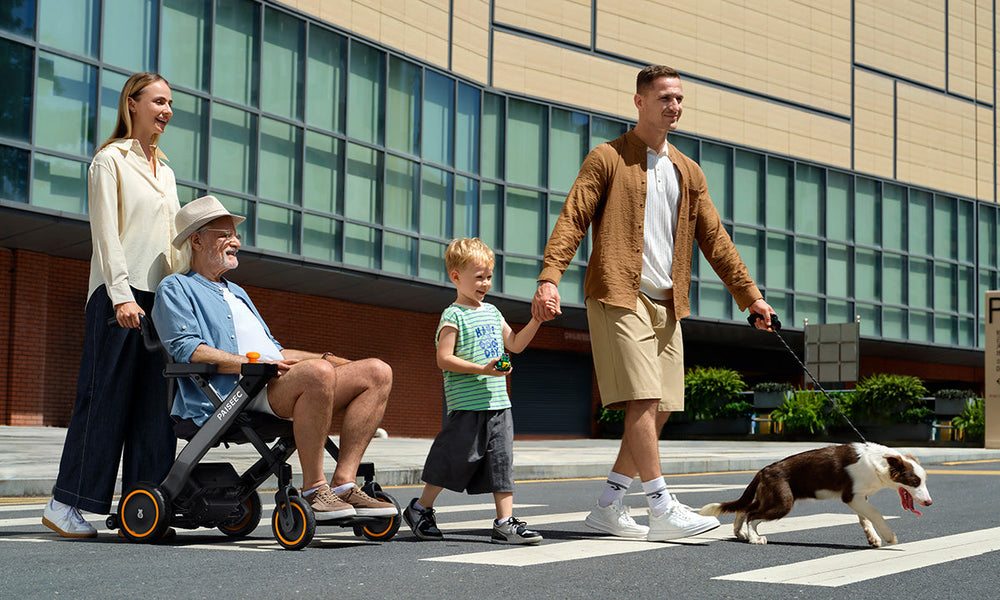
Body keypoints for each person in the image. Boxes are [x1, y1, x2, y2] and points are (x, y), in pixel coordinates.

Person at [531, 65, 776, 542]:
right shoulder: (607, 158)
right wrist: (549, 278)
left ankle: (607, 506)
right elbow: (573, 217)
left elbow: (716, 240)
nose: (674, 106)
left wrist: (752, 298)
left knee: (660, 407)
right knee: (642, 398)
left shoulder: (689, 171)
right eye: (665, 97)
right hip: (619, 294)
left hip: (668, 305)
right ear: (639, 102)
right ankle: (661, 506)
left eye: (679, 98)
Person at [152, 195, 397, 520]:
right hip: (233, 395)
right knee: (318, 374)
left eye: (235, 235)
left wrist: (328, 358)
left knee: (378, 372)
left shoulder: (237, 292)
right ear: (196, 240)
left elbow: (275, 350)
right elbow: (188, 350)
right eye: (224, 234)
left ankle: (343, 483)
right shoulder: (176, 288)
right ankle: (313, 489)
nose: (235, 241)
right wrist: (254, 366)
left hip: (275, 383)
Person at [43, 73, 187, 538]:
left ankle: (145, 508)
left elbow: (172, 242)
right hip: (118, 296)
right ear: (133, 103)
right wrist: (121, 295)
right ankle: (65, 503)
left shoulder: (164, 170)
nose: (166, 110)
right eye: (159, 101)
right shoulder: (110, 161)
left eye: (170, 103)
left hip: (160, 300)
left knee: (154, 409)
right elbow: (106, 234)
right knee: (103, 400)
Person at [403, 238, 551, 544]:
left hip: (499, 404)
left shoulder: (494, 313)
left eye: (488, 276)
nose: (485, 283)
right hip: (467, 407)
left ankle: (504, 523)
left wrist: (536, 319)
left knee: (501, 462)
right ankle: (420, 508)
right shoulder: (453, 315)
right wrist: (483, 369)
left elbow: (516, 345)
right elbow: (443, 358)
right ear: (456, 276)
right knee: (453, 460)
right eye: (478, 276)